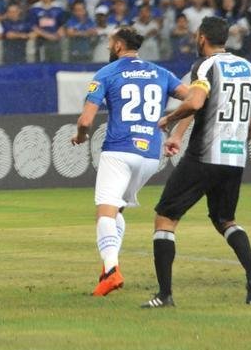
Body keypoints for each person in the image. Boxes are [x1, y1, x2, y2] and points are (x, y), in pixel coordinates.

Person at [143, 16, 251, 308]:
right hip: (234, 158)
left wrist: (169, 118)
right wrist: (237, 141)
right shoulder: (248, 68)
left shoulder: (205, 66)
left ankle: (165, 295)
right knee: (225, 220)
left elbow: (196, 102)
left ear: (202, 38)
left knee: (165, 217)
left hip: (203, 156)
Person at [70, 27, 189, 296]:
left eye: (110, 44)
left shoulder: (107, 73)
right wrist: (174, 128)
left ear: (119, 46)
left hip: (119, 151)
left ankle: (111, 271)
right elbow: (194, 99)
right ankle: (108, 269)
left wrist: (79, 136)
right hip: (150, 155)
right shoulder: (160, 73)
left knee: (105, 212)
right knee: (118, 211)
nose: (108, 48)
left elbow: (86, 120)